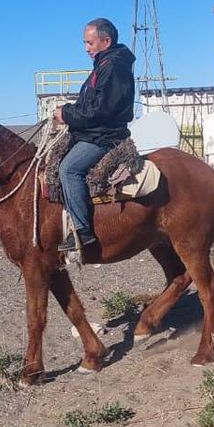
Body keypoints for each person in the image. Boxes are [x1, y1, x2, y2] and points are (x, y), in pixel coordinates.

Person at [53, 18, 136, 252]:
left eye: (89, 43)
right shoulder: (105, 64)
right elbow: (91, 105)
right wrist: (69, 110)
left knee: (68, 169)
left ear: (106, 41)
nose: (86, 48)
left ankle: (82, 231)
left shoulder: (112, 66)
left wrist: (66, 114)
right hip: (95, 131)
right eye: (85, 43)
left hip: (104, 136)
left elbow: (100, 110)